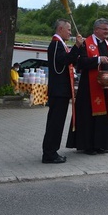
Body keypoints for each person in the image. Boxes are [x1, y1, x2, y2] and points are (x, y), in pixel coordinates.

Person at [66, 18, 108, 155]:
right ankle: (88, 145)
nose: (107, 31)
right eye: (104, 29)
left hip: (106, 87)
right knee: (88, 117)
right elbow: (81, 63)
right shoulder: (86, 44)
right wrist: (98, 59)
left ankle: (102, 144)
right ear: (96, 29)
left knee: (104, 117)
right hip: (89, 87)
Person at [42, 19, 83, 164]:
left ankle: (51, 151)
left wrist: (77, 49)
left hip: (61, 92)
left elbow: (69, 59)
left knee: (57, 123)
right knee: (55, 123)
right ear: (60, 29)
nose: (70, 32)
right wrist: (77, 47)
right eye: (69, 29)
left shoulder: (60, 44)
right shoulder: (56, 44)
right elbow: (65, 60)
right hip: (59, 91)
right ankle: (49, 153)